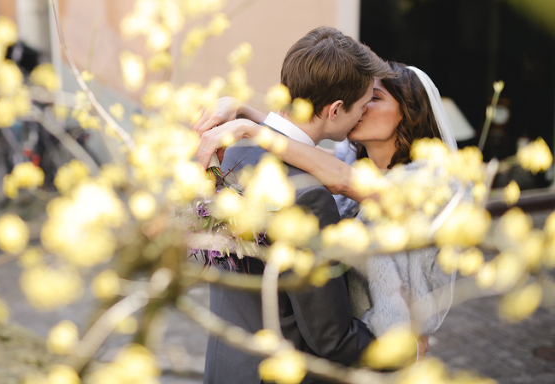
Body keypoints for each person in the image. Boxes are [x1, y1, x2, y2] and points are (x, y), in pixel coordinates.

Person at [195, 61, 457, 343]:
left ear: (410, 114)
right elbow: (303, 148)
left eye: (375, 99)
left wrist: (253, 129)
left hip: (387, 346)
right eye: (363, 98)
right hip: (354, 339)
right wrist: (243, 110)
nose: (362, 105)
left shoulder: (430, 185)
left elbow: (341, 179)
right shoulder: (352, 162)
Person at [202, 26, 391, 384]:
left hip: (226, 365)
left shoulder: (229, 154)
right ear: (335, 110)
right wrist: (397, 352)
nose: (364, 115)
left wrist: (247, 112)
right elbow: (330, 338)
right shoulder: (309, 196)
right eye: (364, 106)